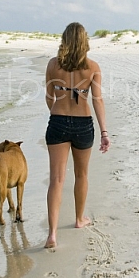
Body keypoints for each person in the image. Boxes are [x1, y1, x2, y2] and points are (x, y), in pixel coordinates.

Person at [44, 22, 110, 249]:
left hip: (58, 122)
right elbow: (97, 100)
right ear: (85, 41)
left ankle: (52, 233)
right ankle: (79, 219)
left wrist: (58, 111)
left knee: (56, 179)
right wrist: (104, 131)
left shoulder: (53, 64)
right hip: (83, 124)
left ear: (64, 39)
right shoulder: (93, 67)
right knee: (81, 175)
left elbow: (49, 97)